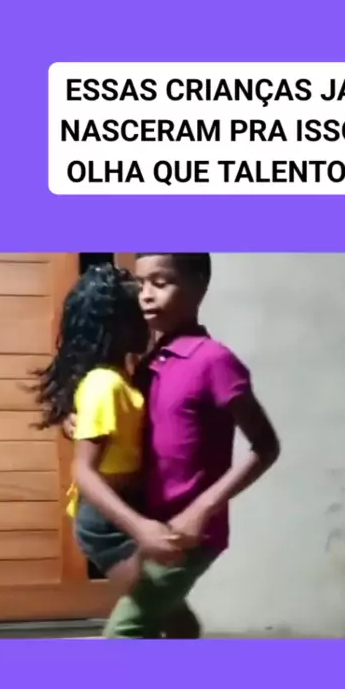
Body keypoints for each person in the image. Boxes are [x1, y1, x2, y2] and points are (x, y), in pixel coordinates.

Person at [64, 253, 281, 639]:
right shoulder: (146, 363)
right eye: (141, 284)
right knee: (174, 620)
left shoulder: (215, 361)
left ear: (199, 285)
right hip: (147, 526)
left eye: (161, 283)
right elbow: (128, 428)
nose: (146, 295)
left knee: (126, 632)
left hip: (184, 535)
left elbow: (265, 447)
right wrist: (77, 422)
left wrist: (201, 510)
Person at [29, 263, 186, 636]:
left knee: (173, 620)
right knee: (166, 620)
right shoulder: (105, 385)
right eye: (139, 313)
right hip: (106, 524)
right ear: (121, 325)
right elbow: (84, 472)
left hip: (121, 510)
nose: (148, 321)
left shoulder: (120, 378)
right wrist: (140, 527)